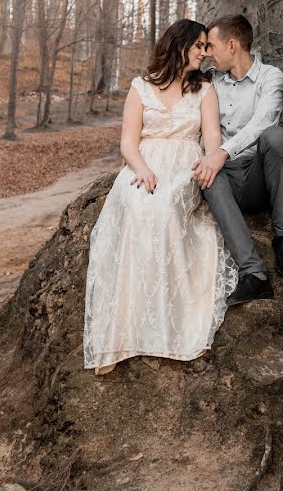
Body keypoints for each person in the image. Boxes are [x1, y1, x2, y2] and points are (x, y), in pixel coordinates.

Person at [84, 19, 238, 375]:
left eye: (206, 46)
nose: (205, 52)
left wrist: (208, 164)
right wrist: (139, 168)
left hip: (185, 166)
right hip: (144, 164)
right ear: (179, 46)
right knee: (137, 206)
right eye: (199, 45)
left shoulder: (204, 90)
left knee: (167, 206)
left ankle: (168, 326)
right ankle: (124, 330)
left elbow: (212, 138)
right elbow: (128, 142)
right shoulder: (140, 87)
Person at [192, 14, 283, 307]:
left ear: (232, 45)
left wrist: (221, 153)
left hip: (258, 177)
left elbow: (264, 121)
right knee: (208, 177)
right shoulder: (211, 80)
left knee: (276, 137)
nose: (208, 53)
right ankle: (254, 275)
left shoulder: (270, 76)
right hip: (226, 179)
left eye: (211, 46)